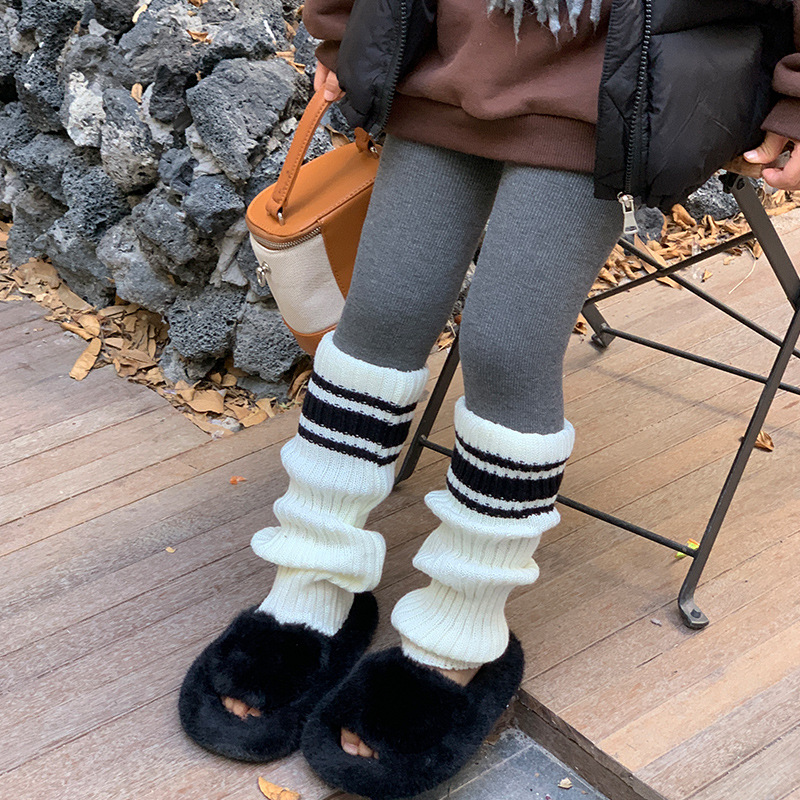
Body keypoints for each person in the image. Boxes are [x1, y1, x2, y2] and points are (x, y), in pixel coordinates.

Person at [178, 2, 800, 798]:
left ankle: (461, 630)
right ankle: (312, 578)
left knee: (507, 347)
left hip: (609, 94)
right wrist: (342, 29)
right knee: (378, 320)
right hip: (447, 62)